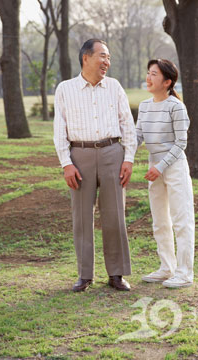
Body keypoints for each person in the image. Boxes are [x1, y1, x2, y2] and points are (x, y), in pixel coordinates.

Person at [54, 38, 137, 292]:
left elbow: (127, 125)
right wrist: (66, 163)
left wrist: (129, 158)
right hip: (80, 156)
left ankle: (116, 274)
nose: (107, 62)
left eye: (109, 57)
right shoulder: (65, 89)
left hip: (113, 153)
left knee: (115, 217)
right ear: (86, 58)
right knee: (81, 217)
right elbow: (59, 130)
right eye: (103, 55)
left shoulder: (114, 87)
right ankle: (84, 275)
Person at [136, 59, 195, 288]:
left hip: (174, 167)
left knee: (182, 221)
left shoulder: (176, 107)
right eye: (148, 73)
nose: (148, 78)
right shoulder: (144, 106)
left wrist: (160, 167)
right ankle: (166, 268)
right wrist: (126, 159)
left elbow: (181, 142)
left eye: (154, 74)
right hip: (154, 167)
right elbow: (137, 135)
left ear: (167, 82)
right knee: (160, 221)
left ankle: (184, 273)